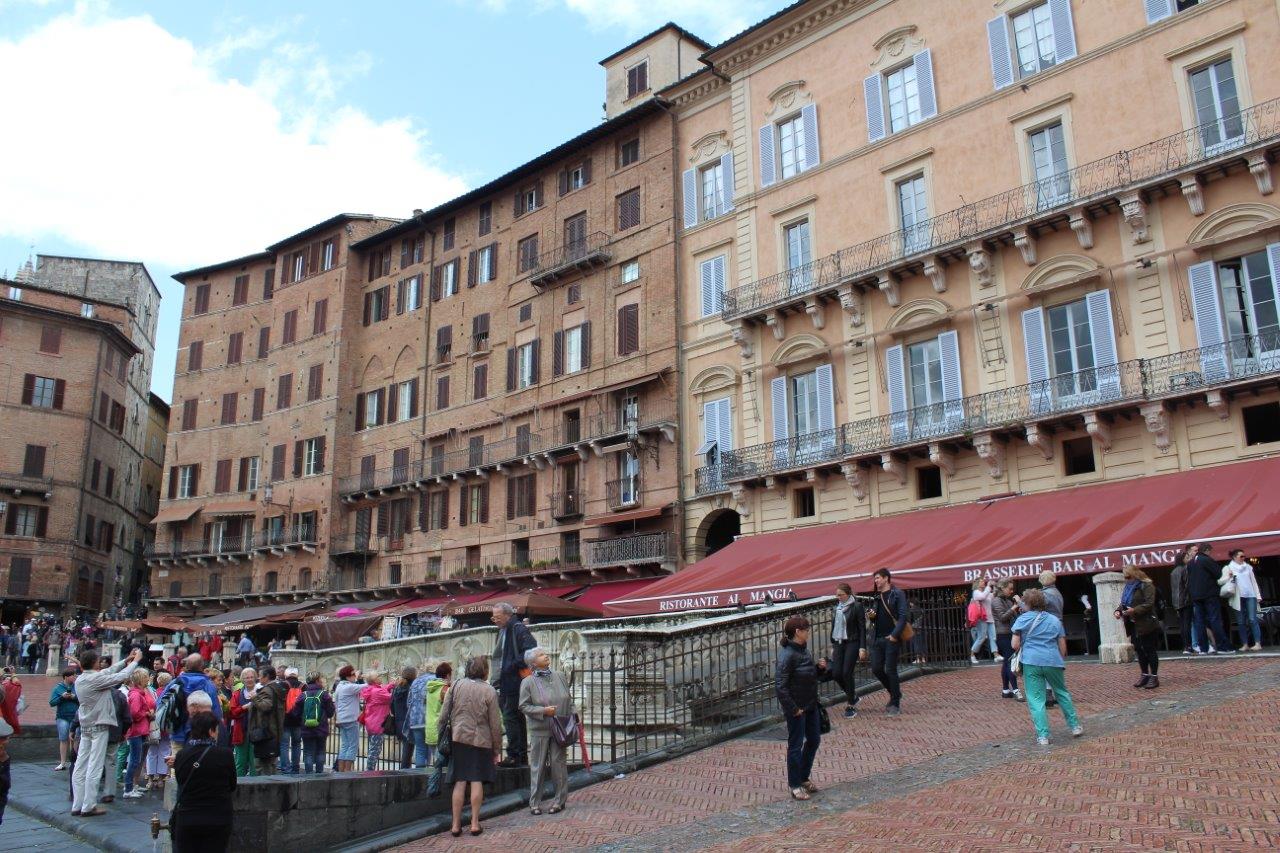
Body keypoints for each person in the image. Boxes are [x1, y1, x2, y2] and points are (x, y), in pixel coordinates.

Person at [70, 647, 141, 816]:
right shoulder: (95, 679)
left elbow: (108, 671)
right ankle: (88, 805)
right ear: (94, 662)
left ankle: (77, 805)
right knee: (94, 766)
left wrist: (126, 660)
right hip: (99, 726)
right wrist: (136, 661)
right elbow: (120, 677)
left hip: (86, 725)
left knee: (80, 765)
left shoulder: (80, 679)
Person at [439, 656, 502, 837]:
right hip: (480, 740)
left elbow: (444, 715)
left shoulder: (456, 685)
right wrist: (496, 749)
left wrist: (440, 737)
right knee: (476, 780)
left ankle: (456, 825)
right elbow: (495, 724)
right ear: (485, 670)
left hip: (458, 738)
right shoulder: (489, 690)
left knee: (459, 781)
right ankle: (474, 823)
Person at [1011, 589, 1083, 746]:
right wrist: (1058, 659)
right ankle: (1074, 726)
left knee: (1036, 699)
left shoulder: (1022, 620)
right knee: (1062, 693)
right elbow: (1062, 647)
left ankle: (1043, 735)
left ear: (1028, 603)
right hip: (1052, 660)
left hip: (1031, 661)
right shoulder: (1054, 620)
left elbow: (1014, 645)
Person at [775, 615, 831, 801]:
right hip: (797, 708)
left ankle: (803, 776)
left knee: (814, 740)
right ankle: (795, 784)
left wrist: (819, 669)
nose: (809, 632)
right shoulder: (787, 655)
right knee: (796, 745)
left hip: (810, 704)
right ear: (798, 632)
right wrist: (793, 708)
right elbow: (780, 686)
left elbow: (808, 675)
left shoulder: (804, 651)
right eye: (806, 629)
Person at [168, 711, 236, 853]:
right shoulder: (225, 755)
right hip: (218, 818)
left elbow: (181, 782)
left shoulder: (181, 755)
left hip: (188, 817)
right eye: (216, 730)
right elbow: (232, 785)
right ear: (211, 731)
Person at [518, 648, 574, 815]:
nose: (546, 656)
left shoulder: (560, 676)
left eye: (545, 653)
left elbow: (569, 700)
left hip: (561, 728)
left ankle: (559, 801)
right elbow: (523, 706)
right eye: (542, 655)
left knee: (559, 765)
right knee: (538, 766)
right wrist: (543, 711)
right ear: (533, 663)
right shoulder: (528, 682)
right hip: (540, 729)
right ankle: (534, 802)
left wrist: (574, 717)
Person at [490, 602, 536, 767]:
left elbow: (531, 649)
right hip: (506, 680)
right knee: (516, 717)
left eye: (497, 617)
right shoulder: (503, 631)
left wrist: (511, 664)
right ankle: (520, 755)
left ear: (507, 615)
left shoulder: (517, 629)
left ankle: (515, 754)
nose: (494, 620)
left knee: (510, 716)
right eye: (493, 617)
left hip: (515, 680)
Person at [161, 654, 223, 756]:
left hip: (177, 732)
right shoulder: (208, 685)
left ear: (187, 666)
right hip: (201, 736)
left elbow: (160, 704)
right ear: (201, 666)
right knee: (198, 766)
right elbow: (216, 713)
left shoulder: (175, 683)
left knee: (177, 765)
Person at [868, 568, 909, 715]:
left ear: (886, 578)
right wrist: (871, 616)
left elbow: (903, 616)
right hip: (878, 638)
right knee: (876, 668)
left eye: (878, 578)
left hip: (891, 638)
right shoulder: (877, 597)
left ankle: (895, 703)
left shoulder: (897, 594)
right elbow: (876, 618)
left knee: (891, 670)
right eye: (875, 578)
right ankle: (895, 692)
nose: (876, 580)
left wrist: (894, 635)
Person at [1116, 566, 1162, 689]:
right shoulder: (1128, 588)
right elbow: (1124, 603)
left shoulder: (1146, 585)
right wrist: (1118, 611)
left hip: (1147, 623)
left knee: (1149, 649)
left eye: (1128, 577)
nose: (1126, 580)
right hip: (1133, 624)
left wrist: (1134, 610)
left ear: (1135, 574)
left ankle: (1154, 676)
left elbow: (1149, 603)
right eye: (1125, 577)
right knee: (1139, 650)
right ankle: (1144, 674)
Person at [829, 583, 865, 718]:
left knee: (846, 672)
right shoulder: (836, 608)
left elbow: (862, 628)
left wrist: (862, 647)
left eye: (840, 595)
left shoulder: (857, 606)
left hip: (852, 642)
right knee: (836, 673)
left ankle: (850, 704)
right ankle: (853, 696)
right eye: (837, 595)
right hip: (839, 642)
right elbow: (834, 627)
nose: (838, 597)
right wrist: (833, 644)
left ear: (848, 594)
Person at [1188, 542, 1232, 654]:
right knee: (1215, 619)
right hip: (1209, 594)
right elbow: (1218, 574)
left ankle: (1203, 648)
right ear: (1207, 550)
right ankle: (1222, 647)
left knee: (1199, 622)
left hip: (1196, 596)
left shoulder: (1191, 562)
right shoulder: (1207, 560)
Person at [1223, 549, 1263, 651]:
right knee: (1241, 621)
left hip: (1250, 595)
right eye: (1241, 556)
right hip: (1238, 597)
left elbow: (1253, 582)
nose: (1243, 558)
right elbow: (1224, 582)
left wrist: (1258, 595)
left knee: (1252, 619)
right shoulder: (1229, 568)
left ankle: (1257, 643)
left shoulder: (1248, 567)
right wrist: (1230, 578)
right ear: (1234, 557)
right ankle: (1245, 644)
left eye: (1244, 556)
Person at [123, 668, 155, 798]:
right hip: (137, 730)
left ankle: (132, 786)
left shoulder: (137, 693)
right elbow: (134, 713)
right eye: (146, 677)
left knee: (137, 759)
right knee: (135, 760)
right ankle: (128, 788)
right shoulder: (136, 695)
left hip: (139, 730)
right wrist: (147, 713)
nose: (148, 679)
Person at [248, 666, 286, 775]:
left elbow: (266, 706)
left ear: (267, 676)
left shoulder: (267, 690)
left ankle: (264, 790)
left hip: (265, 733)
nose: (258, 678)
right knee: (271, 764)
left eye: (260, 676)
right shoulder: (277, 688)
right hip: (273, 731)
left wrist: (254, 697)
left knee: (262, 765)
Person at [992, 580, 1023, 700]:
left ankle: (1005, 690)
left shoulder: (1008, 600)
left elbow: (1014, 616)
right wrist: (1014, 607)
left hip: (1010, 633)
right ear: (1002, 588)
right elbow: (1003, 617)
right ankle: (1015, 690)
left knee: (1006, 662)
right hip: (1002, 634)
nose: (1011, 591)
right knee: (1010, 662)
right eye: (1009, 588)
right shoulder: (996, 601)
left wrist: (1018, 607)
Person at [299, 672, 334, 774]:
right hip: (321, 728)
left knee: (308, 752)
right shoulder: (324, 695)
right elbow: (331, 711)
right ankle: (319, 774)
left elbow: (296, 712)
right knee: (321, 751)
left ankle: (309, 775)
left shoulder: (303, 695)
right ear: (318, 681)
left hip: (306, 728)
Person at [332, 665, 365, 772]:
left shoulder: (339, 687)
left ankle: (341, 771)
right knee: (352, 746)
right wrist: (362, 678)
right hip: (351, 719)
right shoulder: (349, 687)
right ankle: (347, 771)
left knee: (345, 745)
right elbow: (367, 686)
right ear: (348, 676)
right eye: (353, 675)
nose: (355, 677)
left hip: (341, 719)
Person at [360, 672, 394, 770]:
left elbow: (383, 688)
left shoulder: (372, 689)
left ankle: (370, 769)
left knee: (373, 748)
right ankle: (370, 771)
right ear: (374, 680)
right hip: (378, 724)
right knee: (375, 750)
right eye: (378, 676)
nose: (381, 677)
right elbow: (391, 697)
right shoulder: (377, 692)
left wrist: (391, 684)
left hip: (371, 722)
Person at [227, 667, 258, 777]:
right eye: (246, 678)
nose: (249, 679)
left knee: (255, 763)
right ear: (242, 679)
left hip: (257, 732)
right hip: (241, 732)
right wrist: (244, 707)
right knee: (240, 762)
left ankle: (255, 788)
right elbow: (232, 712)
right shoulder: (237, 694)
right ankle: (239, 786)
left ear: (255, 678)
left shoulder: (261, 692)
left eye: (251, 677)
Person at [146, 672, 173, 790]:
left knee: (152, 752)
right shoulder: (170, 694)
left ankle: (151, 778)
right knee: (165, 751)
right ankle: (161, 778)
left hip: (153, 727)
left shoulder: (154, 693)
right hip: (166, 726)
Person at [405, 665, 436, 768]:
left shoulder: (415, 681)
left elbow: (409, 702)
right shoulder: (436, 679)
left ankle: (419, 778)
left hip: (415, 720)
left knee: (420, 749)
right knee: (435, 750)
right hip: (430, 720)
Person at [49, 668, 80, 769]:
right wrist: (62, 697)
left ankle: (73, 761)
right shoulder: (58, 688)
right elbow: (52, 702)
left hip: (75, 717)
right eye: (73, 676)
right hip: (62, 717)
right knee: (63, 739)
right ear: (66, 677)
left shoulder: (77, 687)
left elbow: (82, 700)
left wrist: (74, 697)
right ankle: (62, 762)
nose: (75, 677)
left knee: (74, 739)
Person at [425, 662, 452, 771]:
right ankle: (433, 788)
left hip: (430, 729)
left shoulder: (431, 688)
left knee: (437, 765)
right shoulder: (445, 689)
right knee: (442, 768)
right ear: (448, 675)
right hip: (441, 731)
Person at [279, 667, 304, 774]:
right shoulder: (303, 686)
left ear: (286, 675)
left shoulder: (282, 685)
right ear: (297, 675)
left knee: (284, 745)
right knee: (297, 744)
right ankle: (295, 768)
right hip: (298, 720)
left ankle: (285, 768)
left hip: (285, 719)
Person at [390, 667, 415, 768]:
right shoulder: (411, 688)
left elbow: (391, 705)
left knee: (406, 748)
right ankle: (405, 772)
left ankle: (404, 770)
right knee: (408, 750)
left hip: (398, 722)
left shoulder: (397, 688)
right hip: (408, 722)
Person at [1170, 547, 1194, 654]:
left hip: (1176, 601)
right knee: (1187, 624)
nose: (1189, 559)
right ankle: (1188, 646)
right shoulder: (1185, 569)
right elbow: (1188, 585)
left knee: (1182, 625)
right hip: (1185, 599)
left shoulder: (1173, 572)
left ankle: (1185, 646)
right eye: (1187, 557)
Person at [969, 579, 999, 663]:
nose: (984, 583)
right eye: (981, 581)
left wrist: (994, 586)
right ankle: (972, 655)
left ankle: (996, 655)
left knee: (993, 637)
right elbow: (982, 596)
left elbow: (993, 595)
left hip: (990, 618)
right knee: (981, 637)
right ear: (977, 584)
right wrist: (989, 586)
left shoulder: (986, 592)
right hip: (982, 618)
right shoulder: (976, 592)